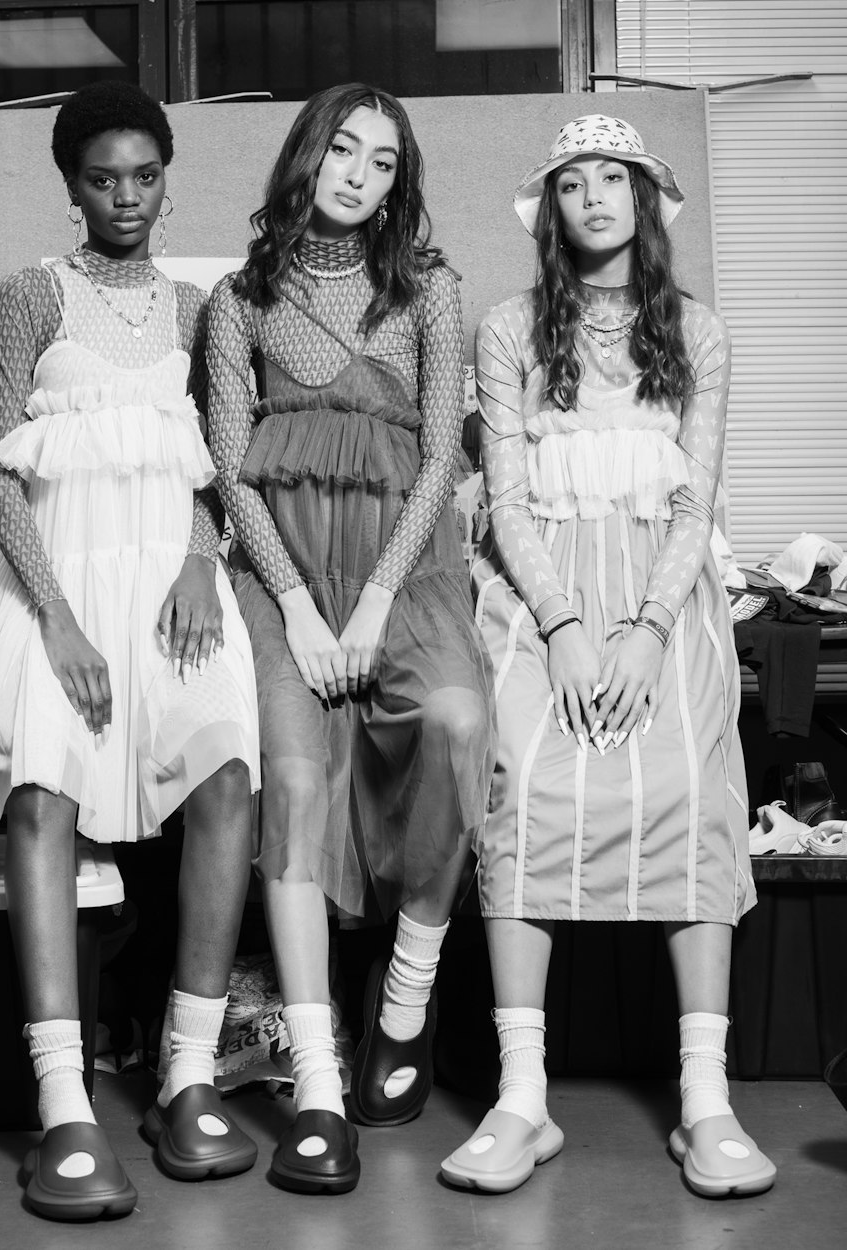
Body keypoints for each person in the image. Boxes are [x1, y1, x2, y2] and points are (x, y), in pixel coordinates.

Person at [0, 81, 260, 1221]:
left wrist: (194, 564)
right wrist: (59, 618)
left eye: (144, 175)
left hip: (173, 577)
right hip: (54, 581)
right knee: (41, 794)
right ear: (70, 183)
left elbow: (224, 460)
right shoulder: (29, 292)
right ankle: (64, 1102)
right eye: (101, 176)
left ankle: (185, 1072)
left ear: (167, 180)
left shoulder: (201, 305)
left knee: (227, 774)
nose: (124, 195)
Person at [441, 115, 775, 1198]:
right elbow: (502, 495)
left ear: (643, 199)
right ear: (551, 209)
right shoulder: (508, 329)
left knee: (689, 786)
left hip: (661, 605)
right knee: (524, 787)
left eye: (612, 179)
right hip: (541, 604)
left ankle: (704, 1099)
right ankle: (521, 1094)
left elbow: (696, 499)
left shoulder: (700, 333)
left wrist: (639, 628)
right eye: (572, 182)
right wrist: (567, 627)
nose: (593, 196)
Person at [207, 82, 494, 1194]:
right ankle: (319, 1081)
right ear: (305, 154)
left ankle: (407, 991)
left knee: (457, 720)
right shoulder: (236, 301)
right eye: (343, 149)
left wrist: (372, 601)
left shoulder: (428, 288)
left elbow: (437, 457)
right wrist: (295, 601)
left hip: (401, 573)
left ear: (398, 182)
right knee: (291, 774)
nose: (359, 175)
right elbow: (230, 474)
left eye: (382, 162)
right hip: (281, 579)